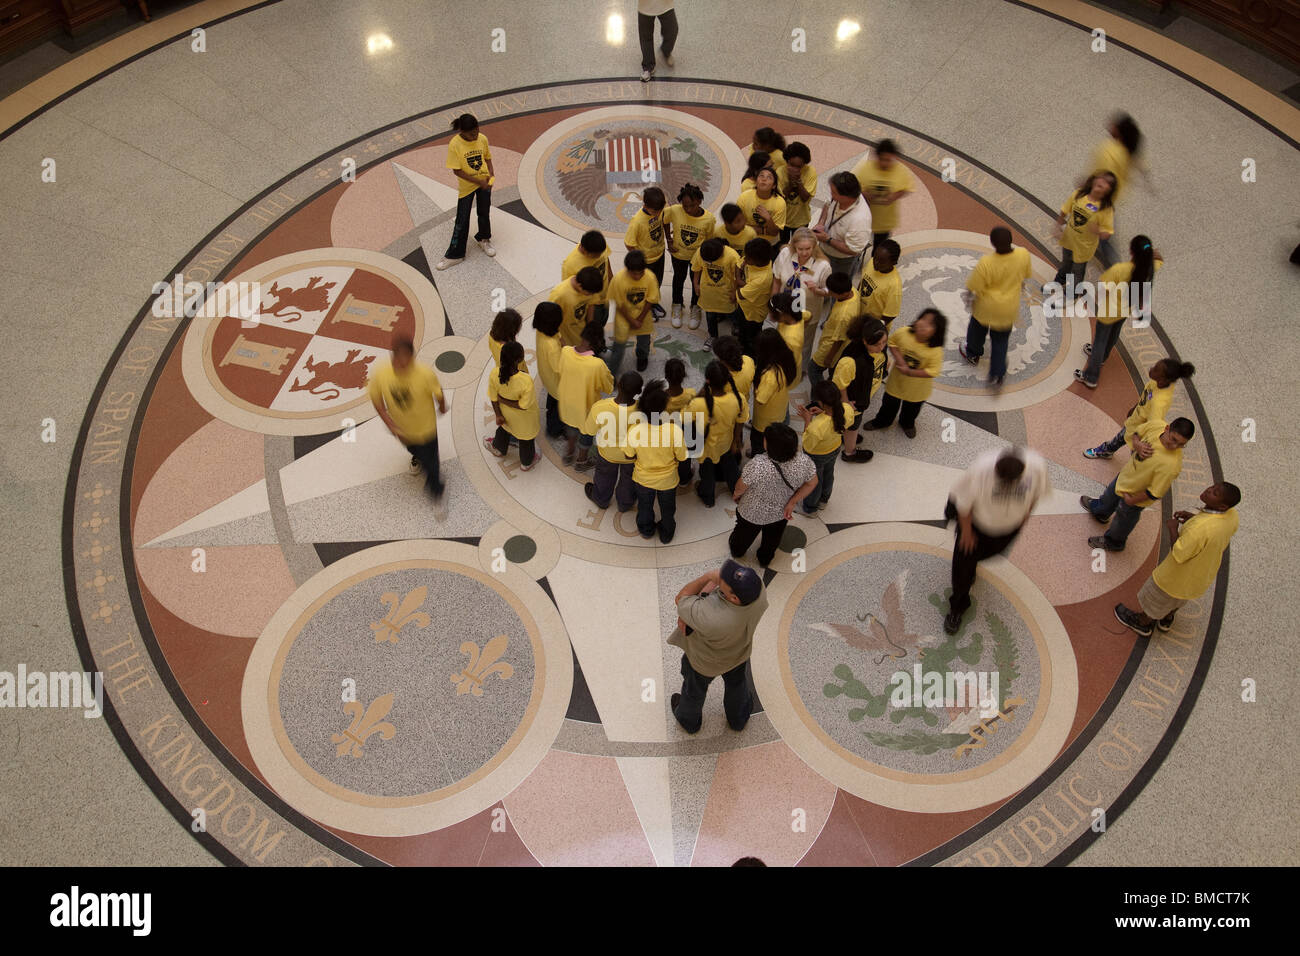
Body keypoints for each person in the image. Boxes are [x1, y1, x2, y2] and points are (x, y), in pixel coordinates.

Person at [943, 447, 1051, 634]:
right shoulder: (981, 468)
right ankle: (957, 607)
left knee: (984, 557)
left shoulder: (1037, 467)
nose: (1008, 487)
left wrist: (1025, 515)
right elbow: (964, 503)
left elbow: (1036, 494)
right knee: (962, 569)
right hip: (977, 527)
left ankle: (972, 566)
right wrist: (967, 533)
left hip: (1007, 529)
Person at [1114, 483, 1241, 637]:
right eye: (1213, 487)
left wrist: (1173, 528)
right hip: (1200, 576)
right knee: (1179, 600)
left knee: (1157, 599)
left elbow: (1178, 552)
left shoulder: (1199, 529)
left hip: (1175, 577)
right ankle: (1167, 618)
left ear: (1222, 506)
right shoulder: (1231, 515)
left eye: (1215, 493)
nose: (1209, 490)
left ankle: (1143, 623)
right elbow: (1212, 527)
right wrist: (1194, 518)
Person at [668, 559, 768, 734]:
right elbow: (717, 589)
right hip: (739, 654)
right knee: (737, 684)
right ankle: (738, 718)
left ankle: (689, 720)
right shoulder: (758, 591)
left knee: (694, 691)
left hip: (703, 663)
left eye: (723, 580)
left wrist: (707, 577)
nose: (719, 575)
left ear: (734, 598)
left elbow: (681, 598)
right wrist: (714, 586)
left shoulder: (712, 618)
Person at [1080, 417, 1193, 552]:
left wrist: (1131, 500)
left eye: (1181, 444)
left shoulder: (1172, 465)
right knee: (1109, 495)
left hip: (1135, 498)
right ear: (1167, 428)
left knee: (1123, 520)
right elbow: (1136, 433)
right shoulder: (1156, 424)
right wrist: (1137, 444)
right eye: (1174, 439)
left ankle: (1114, 542)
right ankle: (1100, 511)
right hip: (1125, 477)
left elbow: (1154, 492)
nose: (1174, 446)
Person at [1075, 235, 1162, 388]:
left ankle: (1091, 376)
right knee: (1114, 334)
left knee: (1099, 342)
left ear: (1132, 252)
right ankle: (1103, 357)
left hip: (1110, 311)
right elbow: (1159, 258)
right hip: (1126, 310)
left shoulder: (1121, 269)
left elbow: (1104, 286)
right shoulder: (1151, 268)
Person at [369, 333, 447, 500]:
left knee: (431, 462)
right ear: (392, 358)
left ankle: (436, 490)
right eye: (398, 362)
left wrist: (441, 406)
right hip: (402, 430)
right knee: (413, 449)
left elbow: (439, 393)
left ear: (412, 358)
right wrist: (389, 423)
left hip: (426, 429)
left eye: (406, 363)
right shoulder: (381, 374)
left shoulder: (424, 374)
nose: (402, 366)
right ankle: (418, 456)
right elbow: (377, 400)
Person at [730, 423, 817, 566]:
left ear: (768, 446)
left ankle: (737, 551)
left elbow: (741, 486)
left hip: (751, 511)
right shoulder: (804, 461)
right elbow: (812, 483)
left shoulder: (758, 464)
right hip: (781, 511)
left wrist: (736, 494)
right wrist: (793, 501)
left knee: (742, 536)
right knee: (772, 539)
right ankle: (765, 559)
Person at [960, 226, 1031, 387]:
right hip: (1007, 309)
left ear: (992, 243)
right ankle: (997, 374)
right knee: (1000, 341)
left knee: (976, 332)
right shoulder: (1023, 254)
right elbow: (1024, 277)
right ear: (1011, 240)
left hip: (985, 308)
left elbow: (973, 286)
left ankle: (973, 353)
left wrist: (968, 299)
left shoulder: (986, 262)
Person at [1084, 358, 1195, 459]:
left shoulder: (1159, 403)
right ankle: (1107, 451)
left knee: (1134, 454)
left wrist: (1139, 443)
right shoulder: (1157, 382)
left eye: (1155, 369)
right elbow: (1146, 397)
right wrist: (1135, 408)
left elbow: (1152, 427)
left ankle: (1119, 459)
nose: (1151, 368)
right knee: (1120, 438)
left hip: (1140, 433)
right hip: (1134, 421)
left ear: (1163, 380)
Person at [621, 380, 688, 542]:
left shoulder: (635, 431)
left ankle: (646, 529)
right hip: (668, 481)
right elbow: (682, 457)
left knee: (644, 506)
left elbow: (628, 456)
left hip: (643, 479)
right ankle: (666, 533)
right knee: (667, 508)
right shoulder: (674, 431)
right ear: (664, 408)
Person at [866, 309, 946, 438]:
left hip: (917, 391)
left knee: (911, 410)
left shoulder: (935, 350)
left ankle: (907, 424)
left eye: (930, 324)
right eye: (923, 319)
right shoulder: (904, 333)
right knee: (888, 405)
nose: (924, 324)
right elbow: (892, 343)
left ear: (937, 332)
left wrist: (910, 372)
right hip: (896, 384)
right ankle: (882, 421)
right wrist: (899, 359)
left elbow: (934, 371)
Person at [1088, 113, 1151, 267]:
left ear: (1119, 132)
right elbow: (1141, 165)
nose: (1110, 126)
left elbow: (1101, 176)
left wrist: (1088, 187)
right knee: (1104, 222)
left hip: (1103, 197)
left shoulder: (1108, 151)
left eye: (1114, 126)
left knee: (1106, 234)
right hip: (1116, 195)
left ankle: (1114, 265)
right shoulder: (1131, 147)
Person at [685, 360, 747, 506]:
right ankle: (736, 491)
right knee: (730, 467)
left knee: (707, 473)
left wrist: (700, 394)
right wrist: (736, 440)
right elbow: (741, 420)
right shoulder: (739, 399)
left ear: (707, 381)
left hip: (706, 447)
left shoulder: (698, 404)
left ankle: (708, 498)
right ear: (727, 380)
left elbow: (686, 420)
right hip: (726, 442)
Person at [438, 113, 495, 270]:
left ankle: (484, 239)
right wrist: (478, 181)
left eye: (476, 131)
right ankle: (455, 254)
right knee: (462, 219)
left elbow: (488, 158)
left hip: (484, 183)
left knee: (484, 212)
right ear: (462, 131)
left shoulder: (482, 138)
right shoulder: (454, 144)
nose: (475, 136)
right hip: (467, 187)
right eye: (471, 134)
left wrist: (491, 175)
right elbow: (457, 171)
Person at [771, 226, 831, 371]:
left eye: (808, 249)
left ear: (814, 246)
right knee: (783, 336)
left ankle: (800, 368)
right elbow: (777, 278)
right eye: (800, 249)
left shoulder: (823, 266)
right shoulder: (785, 254)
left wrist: (817, 290)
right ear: (793, 246)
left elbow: (829, 291)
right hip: (785, 308)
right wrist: (773, 303)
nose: (804, 253)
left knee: (804, 342)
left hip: (808, 312)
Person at [557, 320, 614, 469]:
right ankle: (582, 461)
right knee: (586, 435)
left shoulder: (565, 351)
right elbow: (609, 387)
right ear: (598, 342)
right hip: (586, 409)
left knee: (571, 429)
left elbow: (560, 371)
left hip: (567, 405)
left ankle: (569, 454)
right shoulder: (597, 365)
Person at [831, 315, 889, 462]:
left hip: (863, 394)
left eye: (884, 342)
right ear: (864, 341)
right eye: (877, 344)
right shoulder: (851, 360)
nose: (881, 347)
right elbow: (839, 384)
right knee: (853, 425)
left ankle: (847, 436)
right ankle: (850, 452)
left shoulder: (876, 347)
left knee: (851, 425)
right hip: (854, 402)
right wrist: (845, 403)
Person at [583, 371, 642, 512]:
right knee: (629, 480)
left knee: (604, 477)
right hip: (632, 456)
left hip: (607, 454)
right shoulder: (643, 410)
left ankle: (601, 499)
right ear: (639, 392)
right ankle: (625, 503)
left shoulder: (600, 407)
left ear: (618, 386)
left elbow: (589, 431)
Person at [1052, 171, 1116, 299]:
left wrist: (1097, 230)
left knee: (1077, 271)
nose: (1102, 182)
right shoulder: (1079, 194)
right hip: (1068, 241)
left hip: (1084, 248)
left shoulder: (1105, 210)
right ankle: (1060, 280)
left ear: (1108, 191)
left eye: (1106, 183)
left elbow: (1107, 234)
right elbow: (1065, 209)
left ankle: (1073, 293)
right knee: (1065, 263)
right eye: (1101, 179)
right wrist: (1057, 225)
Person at [663, 182, 715, 328]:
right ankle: (677, 305)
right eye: (685, 206)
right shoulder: (674, 210)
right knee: (678, 279)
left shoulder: (709, 219)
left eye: (691, 205)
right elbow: (665, 221)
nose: (687, 209)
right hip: (678, 254)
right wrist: (669, 239)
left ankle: (695, 306)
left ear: (699, 201)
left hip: (697, 259)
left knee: (696, 282)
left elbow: (709, 241)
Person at [796, 381, 854, 513]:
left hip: (817, 455)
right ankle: (824, 500)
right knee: (829, 473)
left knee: (814, 481)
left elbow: (808, 444)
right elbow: (839, 418)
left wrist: (807, 420)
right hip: (834, 448)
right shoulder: (846, 409)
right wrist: (823, 412)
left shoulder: (817, 426)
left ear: (821, 402)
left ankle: (810, 508)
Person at [484, 342, 540, 470]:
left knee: (504, 431)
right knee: (526, 441)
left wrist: (498, 414)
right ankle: (527, 463)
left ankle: (498, 449)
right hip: (525, 421)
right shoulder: (526, 381)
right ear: (519, 360)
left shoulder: (494, 374)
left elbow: (493, 398)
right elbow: (523, 405)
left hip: (505, 416)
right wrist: (504, 400)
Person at [852, 139, 915, 247]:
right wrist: (865, 194)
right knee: (856, 244)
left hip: (884, 222)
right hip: (863, 218)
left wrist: (893, 196)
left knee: (878, 248)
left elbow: (907, 188)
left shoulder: (901, 171)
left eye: (888, 160)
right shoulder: (866, 168)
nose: (884, 163)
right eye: (882, 159)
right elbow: (853, 185)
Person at [607, 250, 661, 374]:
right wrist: (632, 320)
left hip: (643, 316)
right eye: (634, 274)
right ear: (627, 269)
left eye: (640, 273)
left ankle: (642, 357)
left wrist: (640, 319)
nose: (637, 277)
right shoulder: (619, 279)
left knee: (644, 342)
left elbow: (650, 300)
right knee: (618, 347)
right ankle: (612, 374)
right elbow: (619, 304)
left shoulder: (650, 277)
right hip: (623, 318)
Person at [812, 171, 872, 275]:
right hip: (822, 249)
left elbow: (853, 250)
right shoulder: (836, 197)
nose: (831, 195)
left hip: (840, 261)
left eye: (834, 193)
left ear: (846, 197)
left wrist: (828, 239)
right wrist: (821, 223)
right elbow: (827, 205)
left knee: (834, 285)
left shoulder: (860, 219)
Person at [749, 327, 796, 457]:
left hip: (765, 420)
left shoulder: (769, 375)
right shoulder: (787, 358)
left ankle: (758, 458)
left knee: (758, 442)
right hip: (779, 410)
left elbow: (761, 399)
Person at [807, 272, 859, 386]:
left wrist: (829, 357)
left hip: (830, 346)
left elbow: (839, 340)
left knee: (813, 370)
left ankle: (819, 397)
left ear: (843, 293)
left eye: (832, 292)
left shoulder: (844, 315)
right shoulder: (853, 291)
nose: (829, 293)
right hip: (831, 333)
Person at [692, 236, 742, 346]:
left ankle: (737, 327)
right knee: (710, 315)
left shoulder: (732, 256)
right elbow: (696, 269)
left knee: (733, 313)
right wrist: (696, 284)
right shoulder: (701, 251)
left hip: (727, 293)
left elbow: (737, 277)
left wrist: (735, 292)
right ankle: (713, 336)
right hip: (708, 293)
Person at [561, 230, 612, 327]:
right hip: (591, 306)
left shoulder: (599, 245)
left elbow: (606, 260)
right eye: (595, 256)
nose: (599, 257)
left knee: (602, 322)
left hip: (605, 297)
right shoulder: (570, 265)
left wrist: (611, 280)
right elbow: (570, 292)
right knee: (592, 331)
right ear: (584, 249)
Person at [624, 186, 668, 291]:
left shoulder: (660, 210)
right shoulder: (637, 222)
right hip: (647, 261)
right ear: (645, 205)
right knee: (646, 286)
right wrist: (639, 259)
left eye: (660, 210)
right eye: (655, 211)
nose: (658, 213)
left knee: (657, 282)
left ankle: (654, 300)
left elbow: (665, 220)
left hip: (660, 255)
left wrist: (669, 238)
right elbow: (629, 243)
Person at [532, 302, 566, 438]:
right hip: (557, 382)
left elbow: (558, 334)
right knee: (558, 406)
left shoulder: (541, 331)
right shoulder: (551, 346)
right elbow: (559, 367)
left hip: (547, 376)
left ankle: (551, 416)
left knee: (552, 399)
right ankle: (554, 430)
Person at [549, 266, 605, 348]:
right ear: (579, 285)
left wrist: (590, 325)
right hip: (565, 338)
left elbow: (591, 303)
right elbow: (549, 322)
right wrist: (561, 342)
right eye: (589, 293)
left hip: (580, 331)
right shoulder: (558, 295)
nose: (591, 295)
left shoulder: (590, 285)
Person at [736, 238, 774, 356]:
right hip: (744, 308)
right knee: (742, 332)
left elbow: (741, 295)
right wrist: (740, 280)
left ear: (757, 260)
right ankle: (741, 345)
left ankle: (751, 359)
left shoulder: (763, 278)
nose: (745, 259)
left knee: (752, 339)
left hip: (754, 314)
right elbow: (738, 266)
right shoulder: (751, 258)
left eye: (747, 258)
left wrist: (737, 281)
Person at [777, 141, 817, 245]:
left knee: (799, 247)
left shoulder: (810, 172)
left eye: (799, 167)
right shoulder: (780, 172)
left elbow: (805, 198)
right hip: (783, 221)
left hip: (802, 221)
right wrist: (790, 184)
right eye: (792, 165)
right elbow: (780, 199)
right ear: (787, 161)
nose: (795, 169)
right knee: (782, 246)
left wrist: (798, 181)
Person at [770, 291, 814, 385]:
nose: (770, 317)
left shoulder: (791, 339)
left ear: (783, 314)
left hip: (786, 370)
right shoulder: (797, 313)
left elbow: (788, 363)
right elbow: (809, 315)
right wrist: (802, 327)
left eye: (772, 314)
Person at [857, 238, 902, 328]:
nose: (876, 263)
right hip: (859, 316)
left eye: (882, 262)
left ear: (893, 262)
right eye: (875, 258)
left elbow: (890, 315)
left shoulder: (894, 286)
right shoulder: (871, 262)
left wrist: (874, 328)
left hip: (872, 326)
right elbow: (862, 282)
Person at [736, 167, 786, 248]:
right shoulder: (744, 197)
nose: (764, 179)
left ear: (774, 186)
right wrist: (764, 230)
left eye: (769, 177)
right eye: (761, 176)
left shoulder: (780, 202)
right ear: (756, 182)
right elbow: (738, 226)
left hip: (770, 245)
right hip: (748, 242)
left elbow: (774, 232)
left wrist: (768, 219)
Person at [637, 0, 678, 82]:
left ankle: (665, 51)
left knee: (672, 30)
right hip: (644, 8)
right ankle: (648, 67)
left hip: (666, 5)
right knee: (646, 37)